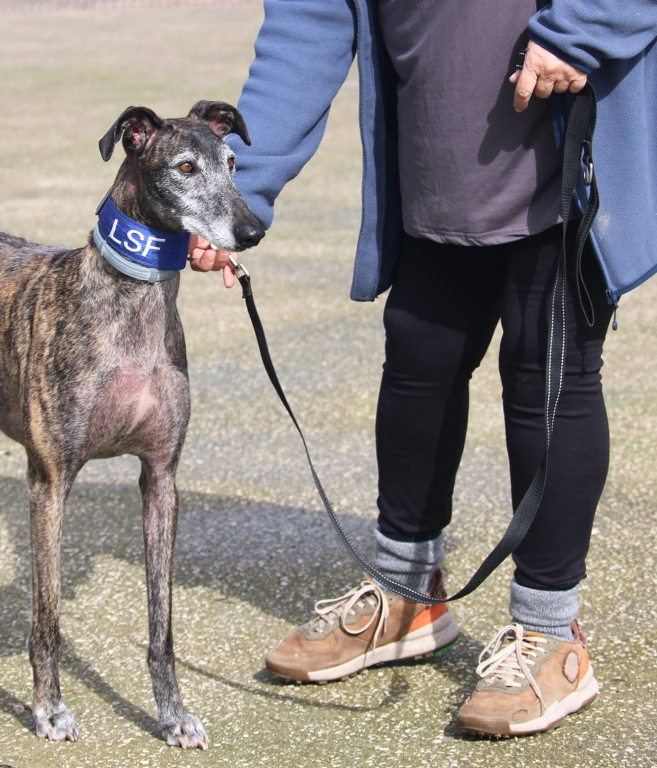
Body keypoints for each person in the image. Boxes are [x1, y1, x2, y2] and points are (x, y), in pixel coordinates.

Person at [189, 0, 657, 739]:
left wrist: (586, 29)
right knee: (419, 356)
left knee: (546, 374)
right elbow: (306, 28)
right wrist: (236, 192)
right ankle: (406, 593)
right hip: (441, 147)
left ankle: (550, 633)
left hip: (563, 133)